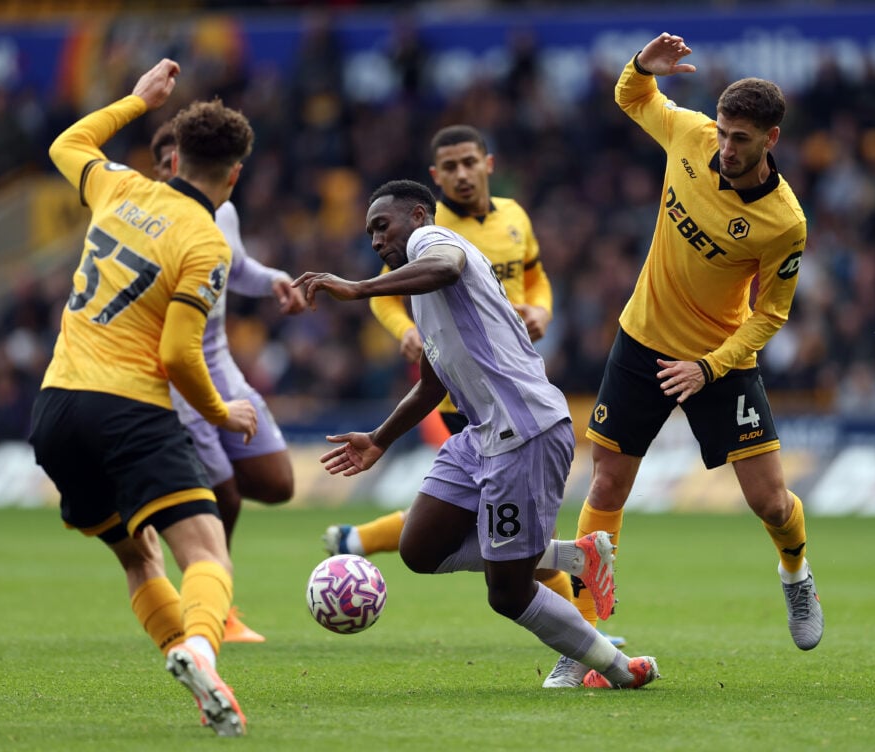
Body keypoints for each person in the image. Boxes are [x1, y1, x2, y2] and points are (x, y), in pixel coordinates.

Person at [294, 179, 659, 690]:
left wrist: (358, 289)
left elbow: (447, 265)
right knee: (419, 549)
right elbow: (429, 386)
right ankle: (573, 556)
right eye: (370, 233)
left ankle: (617, 669)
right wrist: (379, 440)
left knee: (507, 593)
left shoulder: (433, 245)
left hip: (525, 431)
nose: (376, 240)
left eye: (383, 226)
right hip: (479, 437)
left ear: (419, 215)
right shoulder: (422, 295)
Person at [547, 32, 824, 687]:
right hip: (642, 341)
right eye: (724, 133)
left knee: (772, 503)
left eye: (742, 139)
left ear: (772, 140)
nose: (727, 148)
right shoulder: (691, 135)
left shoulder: (785, 223)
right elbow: (632, 97)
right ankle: (582, 637)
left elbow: (771, 314)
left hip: (717, 360)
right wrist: (644, 66)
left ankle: (796, 574)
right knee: (606, 483)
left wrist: (710, 366)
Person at [28, 59, 257, 736]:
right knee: (207, 553)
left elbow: (64, 146)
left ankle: (201, 683)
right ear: (236, 175)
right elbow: (179, 355)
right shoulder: (206, 242)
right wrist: (222, 413)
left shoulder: (120, 187)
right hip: (127, 406)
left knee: (138, 557)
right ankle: (199, 646)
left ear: (173, 158)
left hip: (54, 407)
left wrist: (133, 100)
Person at [319, 125, 616, 640]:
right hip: (471, 401)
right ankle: (573, 590)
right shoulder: (425, 237)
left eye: (468, 163)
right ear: (435, 179)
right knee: (466, 539)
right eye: (449, 167)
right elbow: (410, 300)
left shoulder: (503, 220)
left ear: (487, 164)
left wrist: (541, 310)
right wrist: (407, 333)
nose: (461, 174)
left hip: (512, 397)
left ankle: (584, 639)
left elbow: (530, 273)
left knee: (507, 555)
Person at [150, 122, 307, 644]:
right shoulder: (149, 217)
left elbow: (234, 266)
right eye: (169, 164)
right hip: (175, 370)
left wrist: (273, 280)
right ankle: (216, 606)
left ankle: (165, 506)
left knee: (276, 483)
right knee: (226, 496)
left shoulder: (225, 212)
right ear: (164, 169)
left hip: (220, 362)